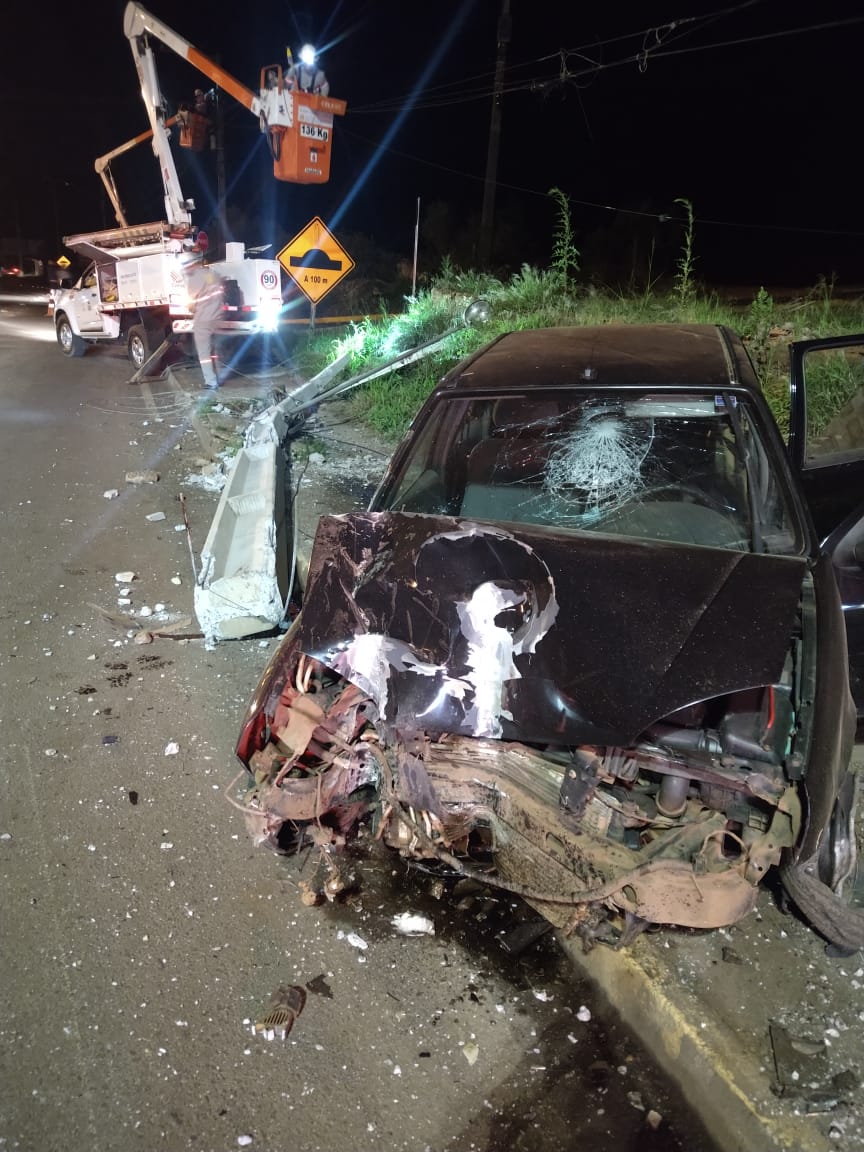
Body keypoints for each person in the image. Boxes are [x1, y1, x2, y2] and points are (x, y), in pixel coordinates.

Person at [184, 250, 224, 389]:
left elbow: (191, 304)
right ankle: (219, 377)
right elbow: (217, 291)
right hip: (218, 317)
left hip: (203, 319)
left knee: (204, 353)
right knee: (215, 351)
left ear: (191, 264)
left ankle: (211, 382)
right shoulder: (211, 274)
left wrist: (191, 308)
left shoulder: (194, 278)